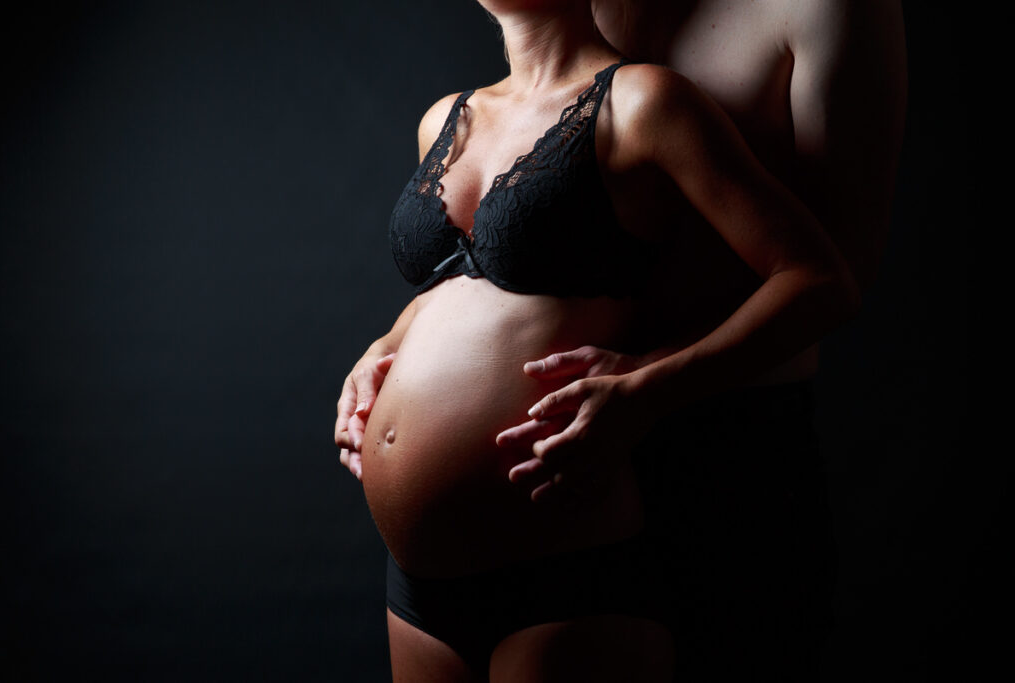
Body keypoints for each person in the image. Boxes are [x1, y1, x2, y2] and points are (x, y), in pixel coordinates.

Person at [336, 0, 869, 680]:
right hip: (416, 583)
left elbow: (820, 279)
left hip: (564, 559)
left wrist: (650, 382)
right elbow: (452, 290)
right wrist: (383, 347)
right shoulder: (445, 119)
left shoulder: (645, 102)